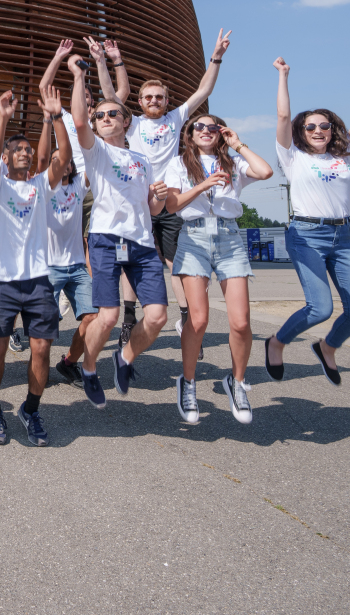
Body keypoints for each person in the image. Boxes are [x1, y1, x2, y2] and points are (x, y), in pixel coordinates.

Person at [265, 56, 350, 387]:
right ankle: (277, 342)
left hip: (342, 237)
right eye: (311, 126)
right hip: (306, 235)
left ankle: (328, 346)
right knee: (320, 308)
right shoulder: (292, 157)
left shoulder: (343, 155)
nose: (319, 130)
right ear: (301, 132)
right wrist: (283, 75)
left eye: (325, 126)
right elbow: (282, 115)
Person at [68, 56, 170, 411]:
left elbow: (152, 210)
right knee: (108, 316)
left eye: (114, 114)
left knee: (157, 317)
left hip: (141, 242)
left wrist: (157, 200)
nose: (107, 119)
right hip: (106, 239)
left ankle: (124, 358)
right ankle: (90, 367)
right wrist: (79, 77)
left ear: (127, 121)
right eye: (101, 116)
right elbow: (79, 118)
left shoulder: (143, 160)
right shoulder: (96, 152)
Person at [164, 116, 274, 423]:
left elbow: (265, 171)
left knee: (240, 323)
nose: (205, 131)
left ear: (220, 133)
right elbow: (172, 206)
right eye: (199, 127)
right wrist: (204, 184)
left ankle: (236, 384)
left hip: (229, 238)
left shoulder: (234, 163)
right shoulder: (179, 164)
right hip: (194, 237)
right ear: (190, 134)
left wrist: (237, 143)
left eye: (212, 127)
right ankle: (187, 383)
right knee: (198, 320)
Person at [127, 30, 232, 347]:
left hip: (172, 199)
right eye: (148, 97)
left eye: (159, 97)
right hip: (140, 200)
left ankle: (187, 319)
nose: (154, 101)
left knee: (176, 262)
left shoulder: (175, 117)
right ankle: (128, 319)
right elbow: (108, 92)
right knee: (132, 259)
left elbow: (204, 89)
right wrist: (106, 61)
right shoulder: (132, 122)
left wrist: (216, 56)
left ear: (166, 101)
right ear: (140, 102)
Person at [0, 86, 70, 446]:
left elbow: (61, 159)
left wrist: (56, 115)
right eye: (16, 149)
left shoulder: (40, 186)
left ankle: (30, 408)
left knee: (42, 349)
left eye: (28, 150)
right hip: (0, 281)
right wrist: (2, 116)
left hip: (37, 282)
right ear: (5, 156)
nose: (25, 153)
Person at [33, 85, 94, 390]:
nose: (63, 162)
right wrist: (52, 119)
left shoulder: (79, 187)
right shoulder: (45, 188)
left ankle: (69, 362)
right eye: (58, 159)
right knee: (45, 329)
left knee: (94, 319)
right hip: (49, 269)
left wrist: (63, 116)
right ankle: (36, 369)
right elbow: (46, 161)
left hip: (77, 269)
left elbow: (76, 153)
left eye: (66, 159)